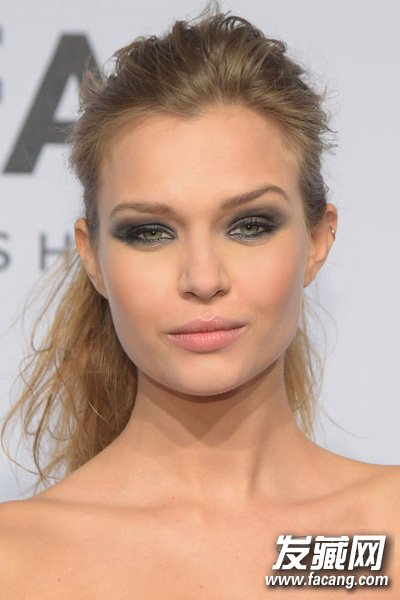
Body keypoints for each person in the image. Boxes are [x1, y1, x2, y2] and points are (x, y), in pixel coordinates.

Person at [0, 2, 399, 597]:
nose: (203, 278)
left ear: (318, 239)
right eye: (150, 232)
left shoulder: (387, 530)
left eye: (249, 225)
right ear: (93, 258)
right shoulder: (14, 560)